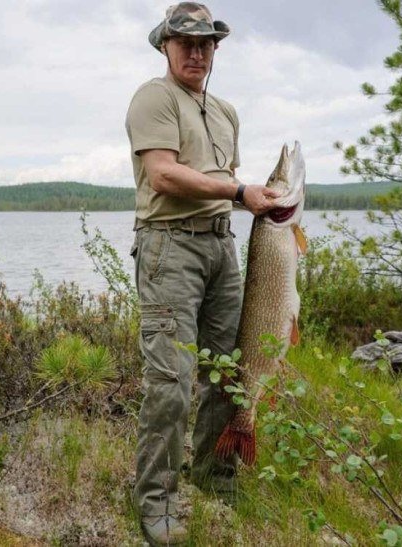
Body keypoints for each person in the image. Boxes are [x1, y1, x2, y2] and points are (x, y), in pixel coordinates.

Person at [124, 3, 279, 545]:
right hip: (170, 250)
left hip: (221, 249)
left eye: (206, 43)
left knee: (225, 371)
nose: (196, 52)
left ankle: (215, 479)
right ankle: (156, 502)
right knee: (170, 382)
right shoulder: (154, 98)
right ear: (165, 45)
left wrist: (259, 203)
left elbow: (216, 183)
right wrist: (240, 192)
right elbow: (164, 175)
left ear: (216, 50)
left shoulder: (225, 111)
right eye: (185, 42)